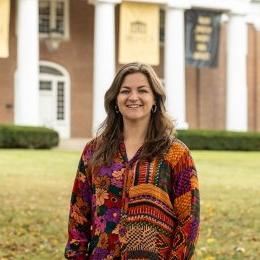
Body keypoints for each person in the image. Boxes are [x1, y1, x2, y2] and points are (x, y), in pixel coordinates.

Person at [64, 62, 200, 259]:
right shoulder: (94, 150)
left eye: (142, 90)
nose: (133, 97)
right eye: (125, 91)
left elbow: (189, 220)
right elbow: (78, 214)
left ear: (154, 99)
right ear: (115, 100)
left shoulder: (176, 153)